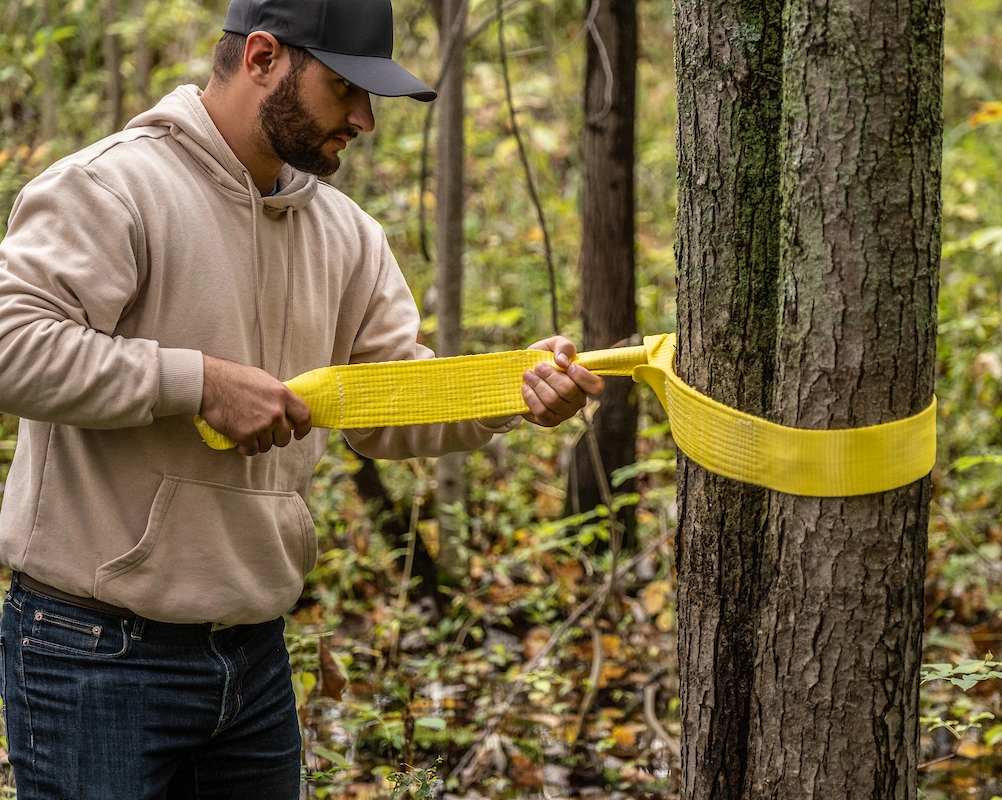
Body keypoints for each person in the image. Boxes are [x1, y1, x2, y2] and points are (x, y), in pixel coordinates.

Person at [0, 0, 603, 795]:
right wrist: (200, 383)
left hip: (255, 657)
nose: (364, 119)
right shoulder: (111, 187)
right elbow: (12, 346)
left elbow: (390, 405)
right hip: (92, 651)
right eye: (346, 87)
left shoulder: (347, 234)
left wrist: (511, 392)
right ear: (261, 58)